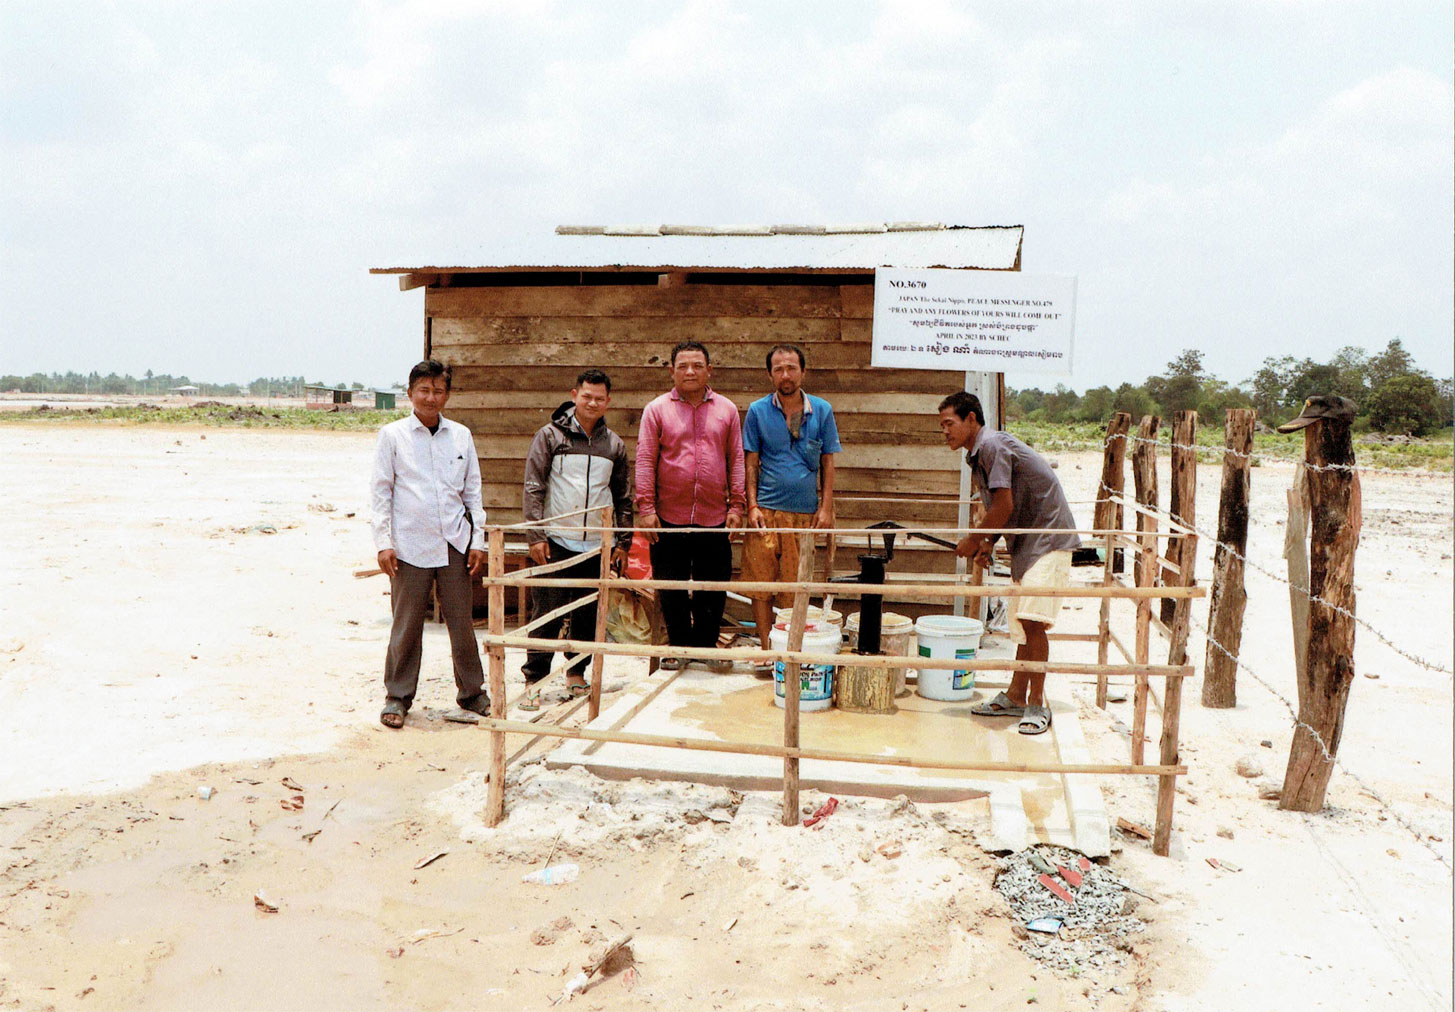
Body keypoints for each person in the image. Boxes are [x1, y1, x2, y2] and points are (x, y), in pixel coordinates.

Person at [937, 391, 1080, 735]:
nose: (945, 431)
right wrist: (988, 542)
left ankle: (1037, 702)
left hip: (1049, 537)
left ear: (971, 419)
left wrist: (974, 539)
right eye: (941, 426)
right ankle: (1016, 695)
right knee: (1023, 621)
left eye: (949, 423)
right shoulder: (977, 455)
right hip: (1027, 541)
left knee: (1033, 621)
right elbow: (1003, 506)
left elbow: (1003, 506)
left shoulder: (992, 446)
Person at [370, 360, 489, 729]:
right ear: (410, 393)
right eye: (424, 390)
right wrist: (383, 543)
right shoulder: (392, 436)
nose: (431, 397)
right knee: (406, 624)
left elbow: (473, 493)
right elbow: (381, 492)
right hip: (408, 546)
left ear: (447, 395)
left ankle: (472, 692)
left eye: (438, 390)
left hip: (454, 542)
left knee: (462, 623)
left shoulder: (461, 436)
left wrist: (478, 540)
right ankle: (397, 696)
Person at [520, 369, 633, 709]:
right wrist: (536, 535)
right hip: (556, 540)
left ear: (608, 401)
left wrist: (622, 543)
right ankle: (534, 679)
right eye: (587, 396)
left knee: (587, 612)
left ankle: (575, 674)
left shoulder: (613, 445)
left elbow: (623, 498)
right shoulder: (550, 437)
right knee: (548, 611)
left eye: (600, 398)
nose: (592, 403)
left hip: (596, 544)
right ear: (574, 395)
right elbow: (534, 487)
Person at [634, 341, 746, 669]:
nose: (690, 372)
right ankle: (679, 648)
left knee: (713, 585)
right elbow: (645, 459)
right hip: (668, 517)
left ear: (710, 370)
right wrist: (646, 509)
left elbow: (736, 459)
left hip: (715, 516)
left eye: (697, 365)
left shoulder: (726, 410)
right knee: (672, 586)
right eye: (683, 366)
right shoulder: (656, 410)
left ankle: (706, 649)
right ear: (672, 371)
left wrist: (736, 507)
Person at [742, 344, 841, 667]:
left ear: (803, 371)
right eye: (779, 369)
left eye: (792, 368)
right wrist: (752, 506)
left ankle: (788, 650)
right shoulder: (758, 411)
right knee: (761, 583)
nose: (786, 375)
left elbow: (828, 462)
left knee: (795, 585)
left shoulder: (821, 410)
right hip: (766, 512)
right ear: (770, 374)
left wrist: (825, 508)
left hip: (805, 515)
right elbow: (751, 462)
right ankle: (766, 649)